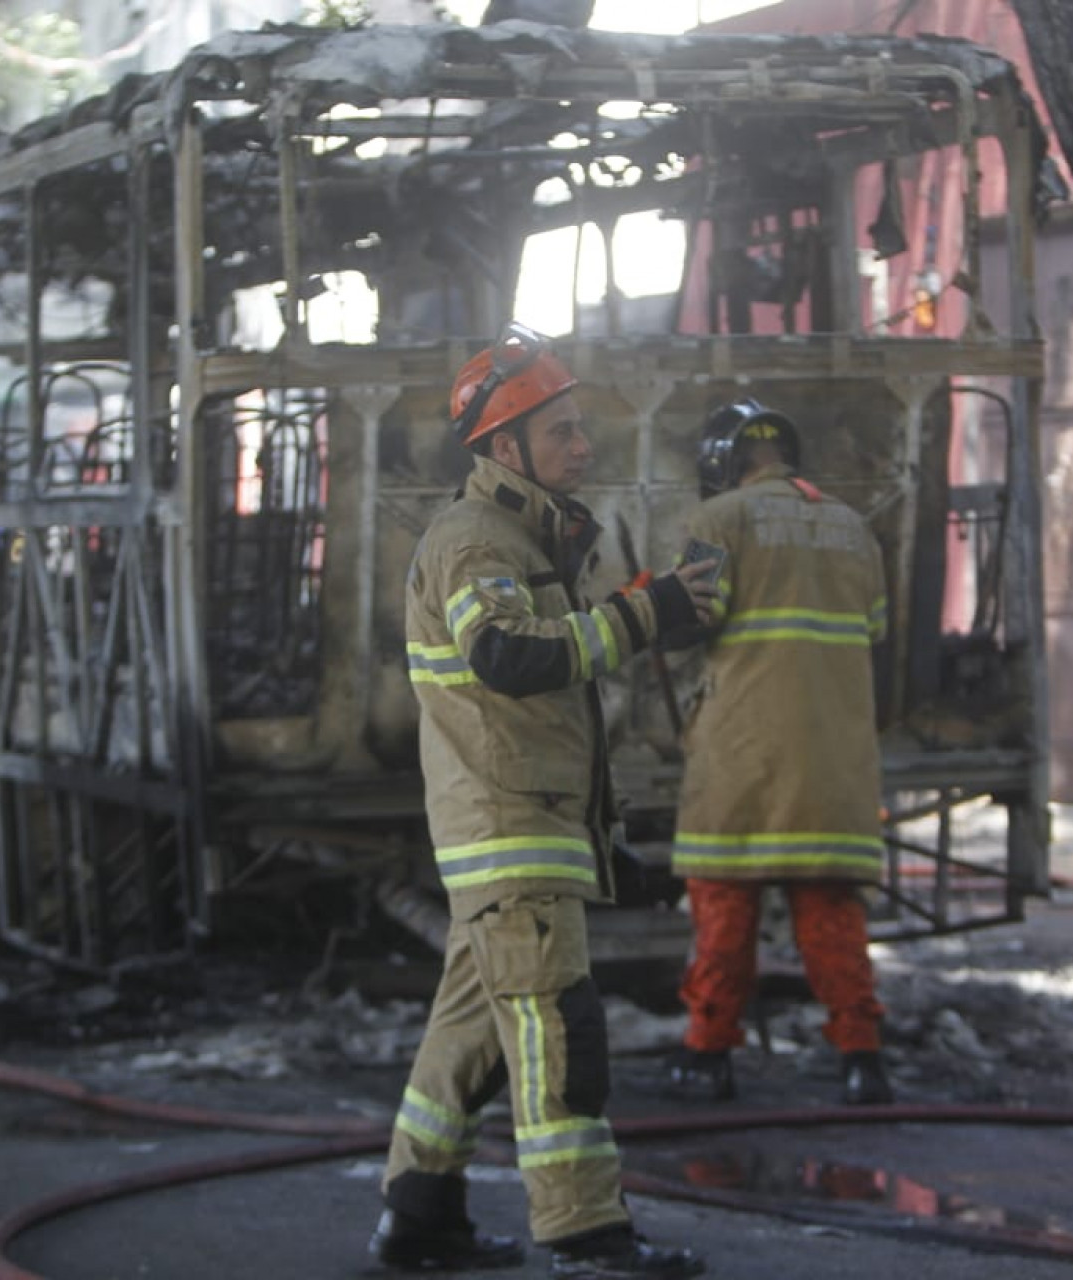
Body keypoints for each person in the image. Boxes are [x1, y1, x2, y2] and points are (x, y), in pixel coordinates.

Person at [370, 322, 715, 1279]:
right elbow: (507, 657)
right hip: (508, 831)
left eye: (579, 427)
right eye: (561, 431)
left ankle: (418, 1214)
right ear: (505, 447)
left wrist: (603, 842)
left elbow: (539, 706)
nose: (582, 446)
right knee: (559, 1028)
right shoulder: (477, 541)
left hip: (522, 831)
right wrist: (645, 614)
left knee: (471, 1032)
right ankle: (584, 1230)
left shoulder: (518, 537)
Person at [660, 398, 895, 1107]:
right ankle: (862, 1060)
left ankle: (707, 1056)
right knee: (831, 911)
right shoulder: (855, 529)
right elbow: (874, 630)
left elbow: (691, 619)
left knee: (725, 908)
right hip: (834, 759)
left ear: (721, 463)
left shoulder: (717, 521)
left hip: (743, 755)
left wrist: (650, 602)